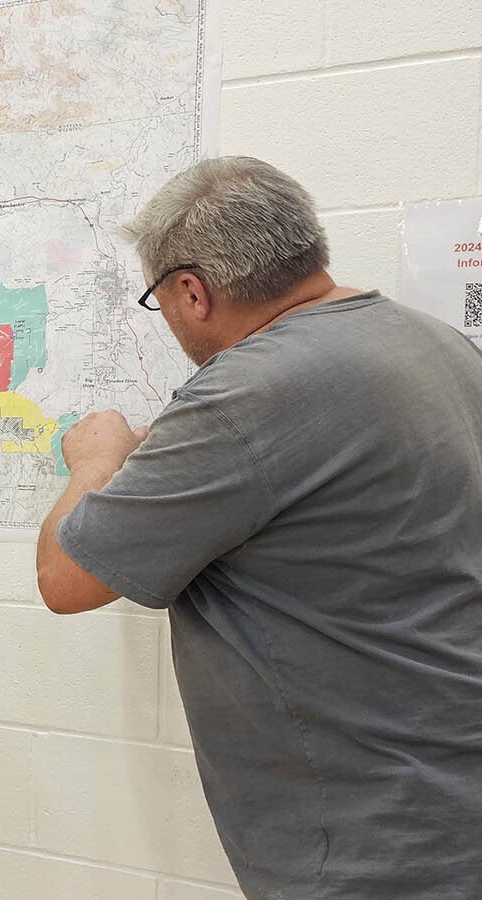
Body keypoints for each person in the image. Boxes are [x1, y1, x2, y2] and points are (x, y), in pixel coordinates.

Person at [36, 156, 482, 899]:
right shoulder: (439, 346)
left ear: (192, 291)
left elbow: (64, 581)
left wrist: (94, 459)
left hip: (373, 851)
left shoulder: (244, 393)